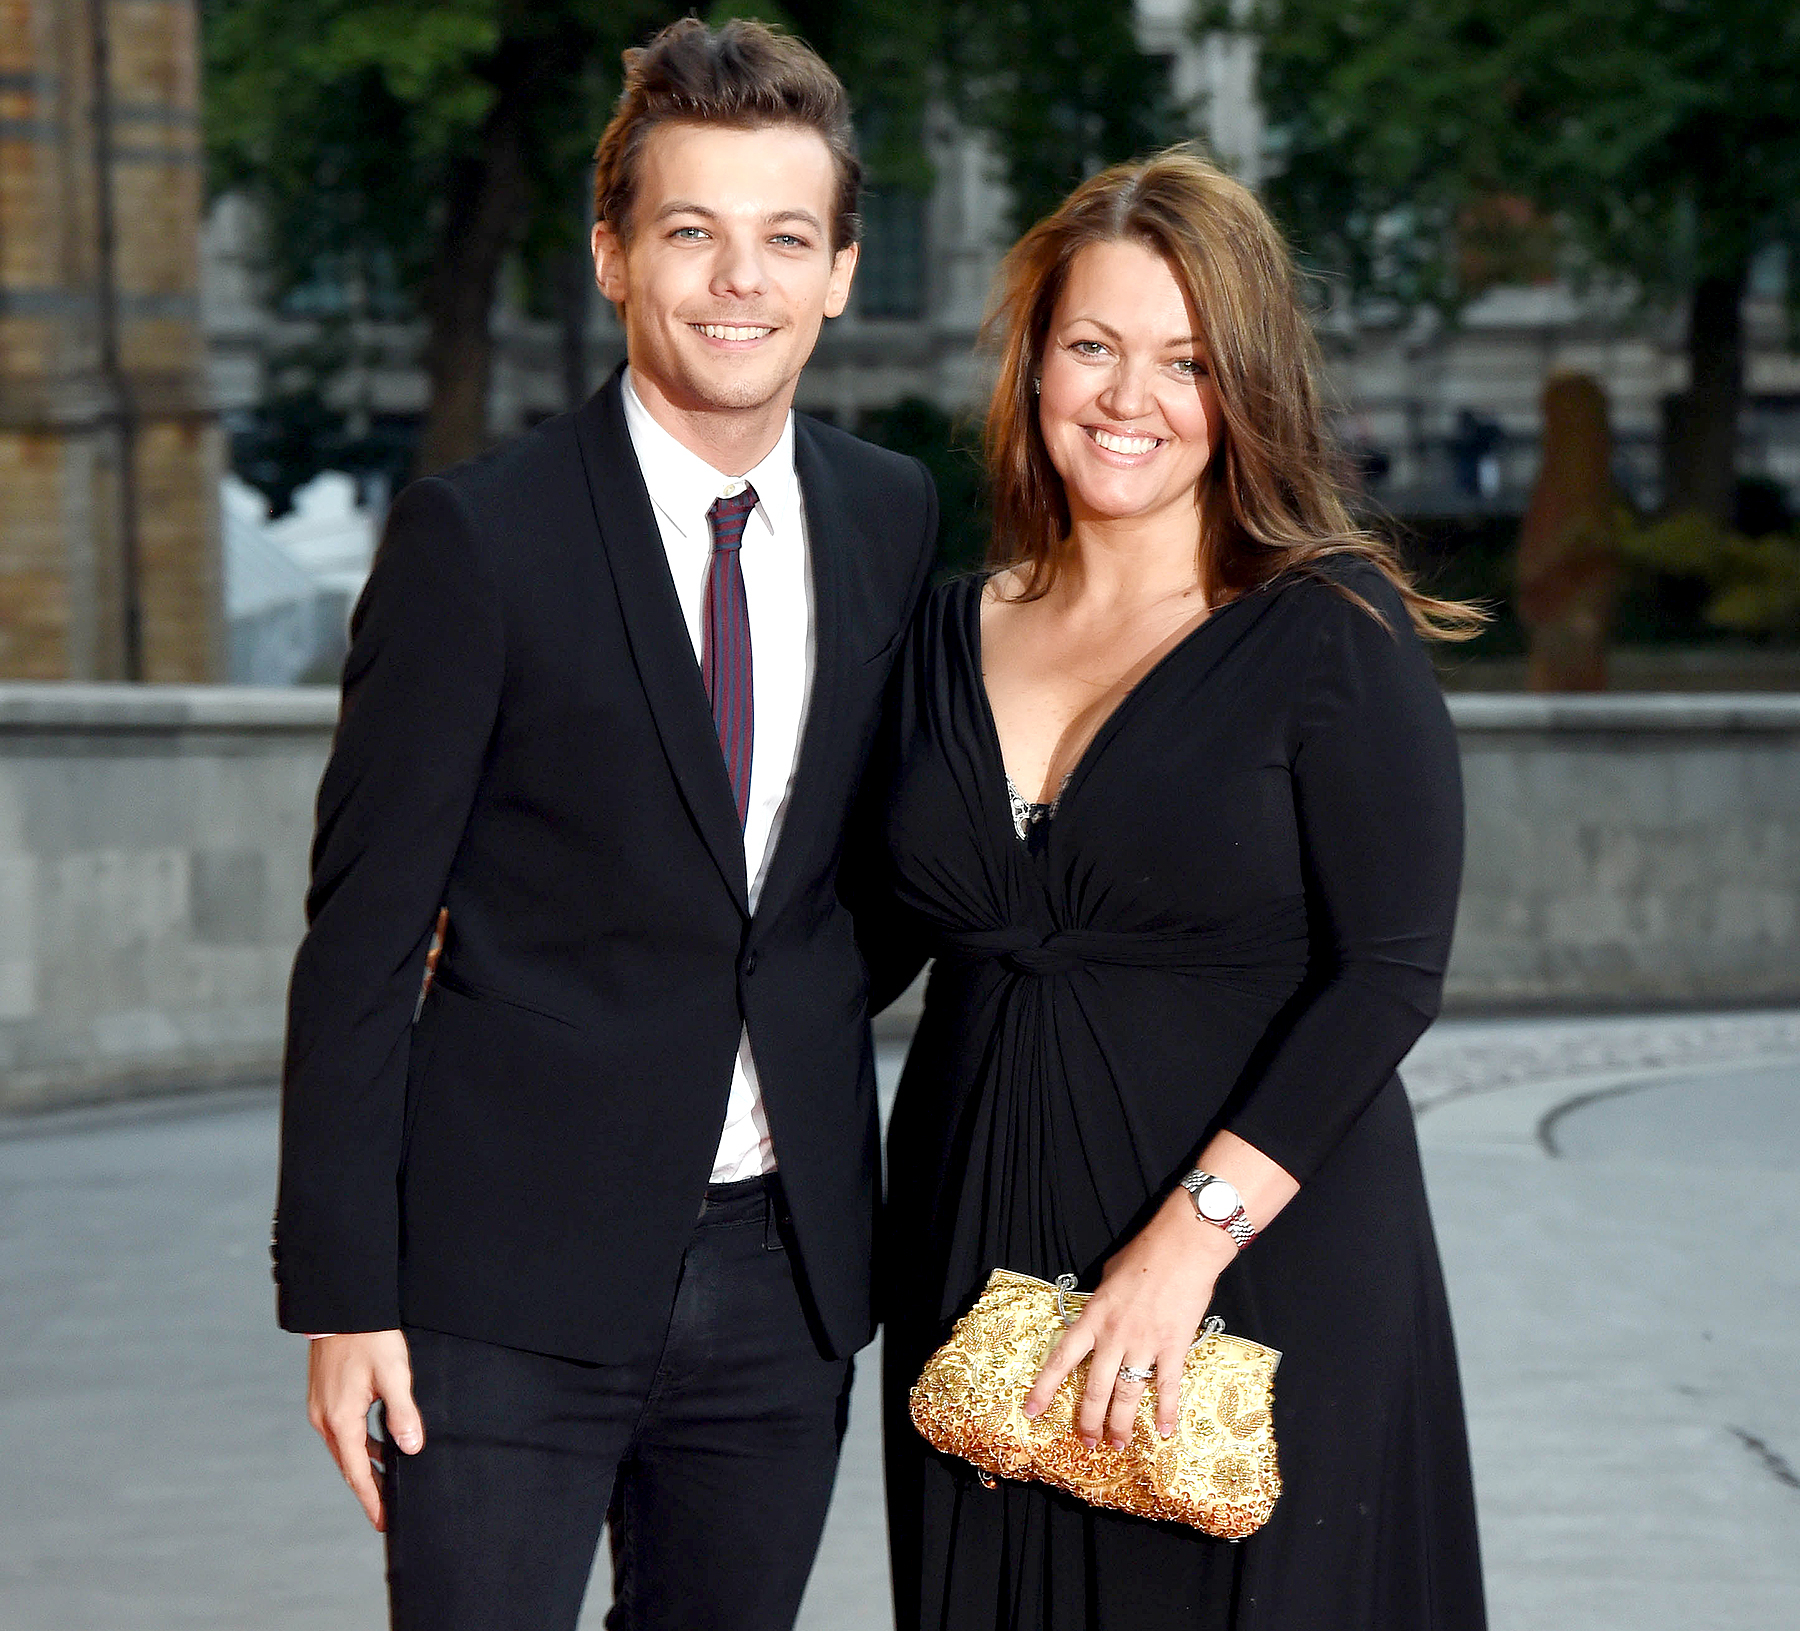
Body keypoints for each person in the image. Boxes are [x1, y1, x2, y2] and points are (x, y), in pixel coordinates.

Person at [271, 19, 938, 1630]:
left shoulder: (890, 514)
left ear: (841, 273)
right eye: (691, 231)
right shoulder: (476, 541)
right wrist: (345, 1297)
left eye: (787, 238)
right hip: (500, 1286)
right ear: (612, 256)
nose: (740, 280)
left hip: (784, 1279)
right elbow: (361, 942)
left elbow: (868, 864)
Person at [875, 148, 1489, 1630]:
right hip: (978, 1258)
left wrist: (1186, 1245)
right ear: (1035, 363)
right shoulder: (940, 635)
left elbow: (1389, 974)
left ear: (1246, 386)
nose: (1128, 397)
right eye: (1093, 345)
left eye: (1187, 361)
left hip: (1256, 1268)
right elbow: (848, 936)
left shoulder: (1328, 629)